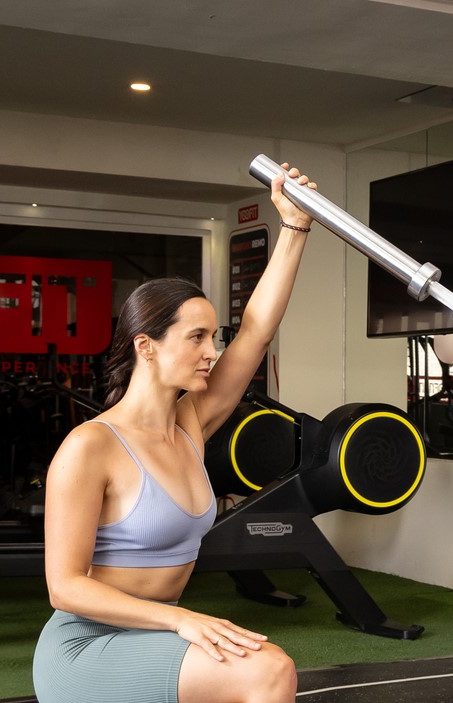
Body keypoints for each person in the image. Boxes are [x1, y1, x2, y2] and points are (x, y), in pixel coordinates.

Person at [34, 164, 317, 703]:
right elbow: (63, 587)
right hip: (88, 646)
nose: (212, 351)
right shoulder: (90, 446)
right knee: (267, 670)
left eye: (214, 336)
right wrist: (179, 619)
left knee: (261, 669)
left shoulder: (191, 423)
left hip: (155, 635)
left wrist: (296, 228)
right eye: (196, 337)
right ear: (147, 345)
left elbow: (255, 333)